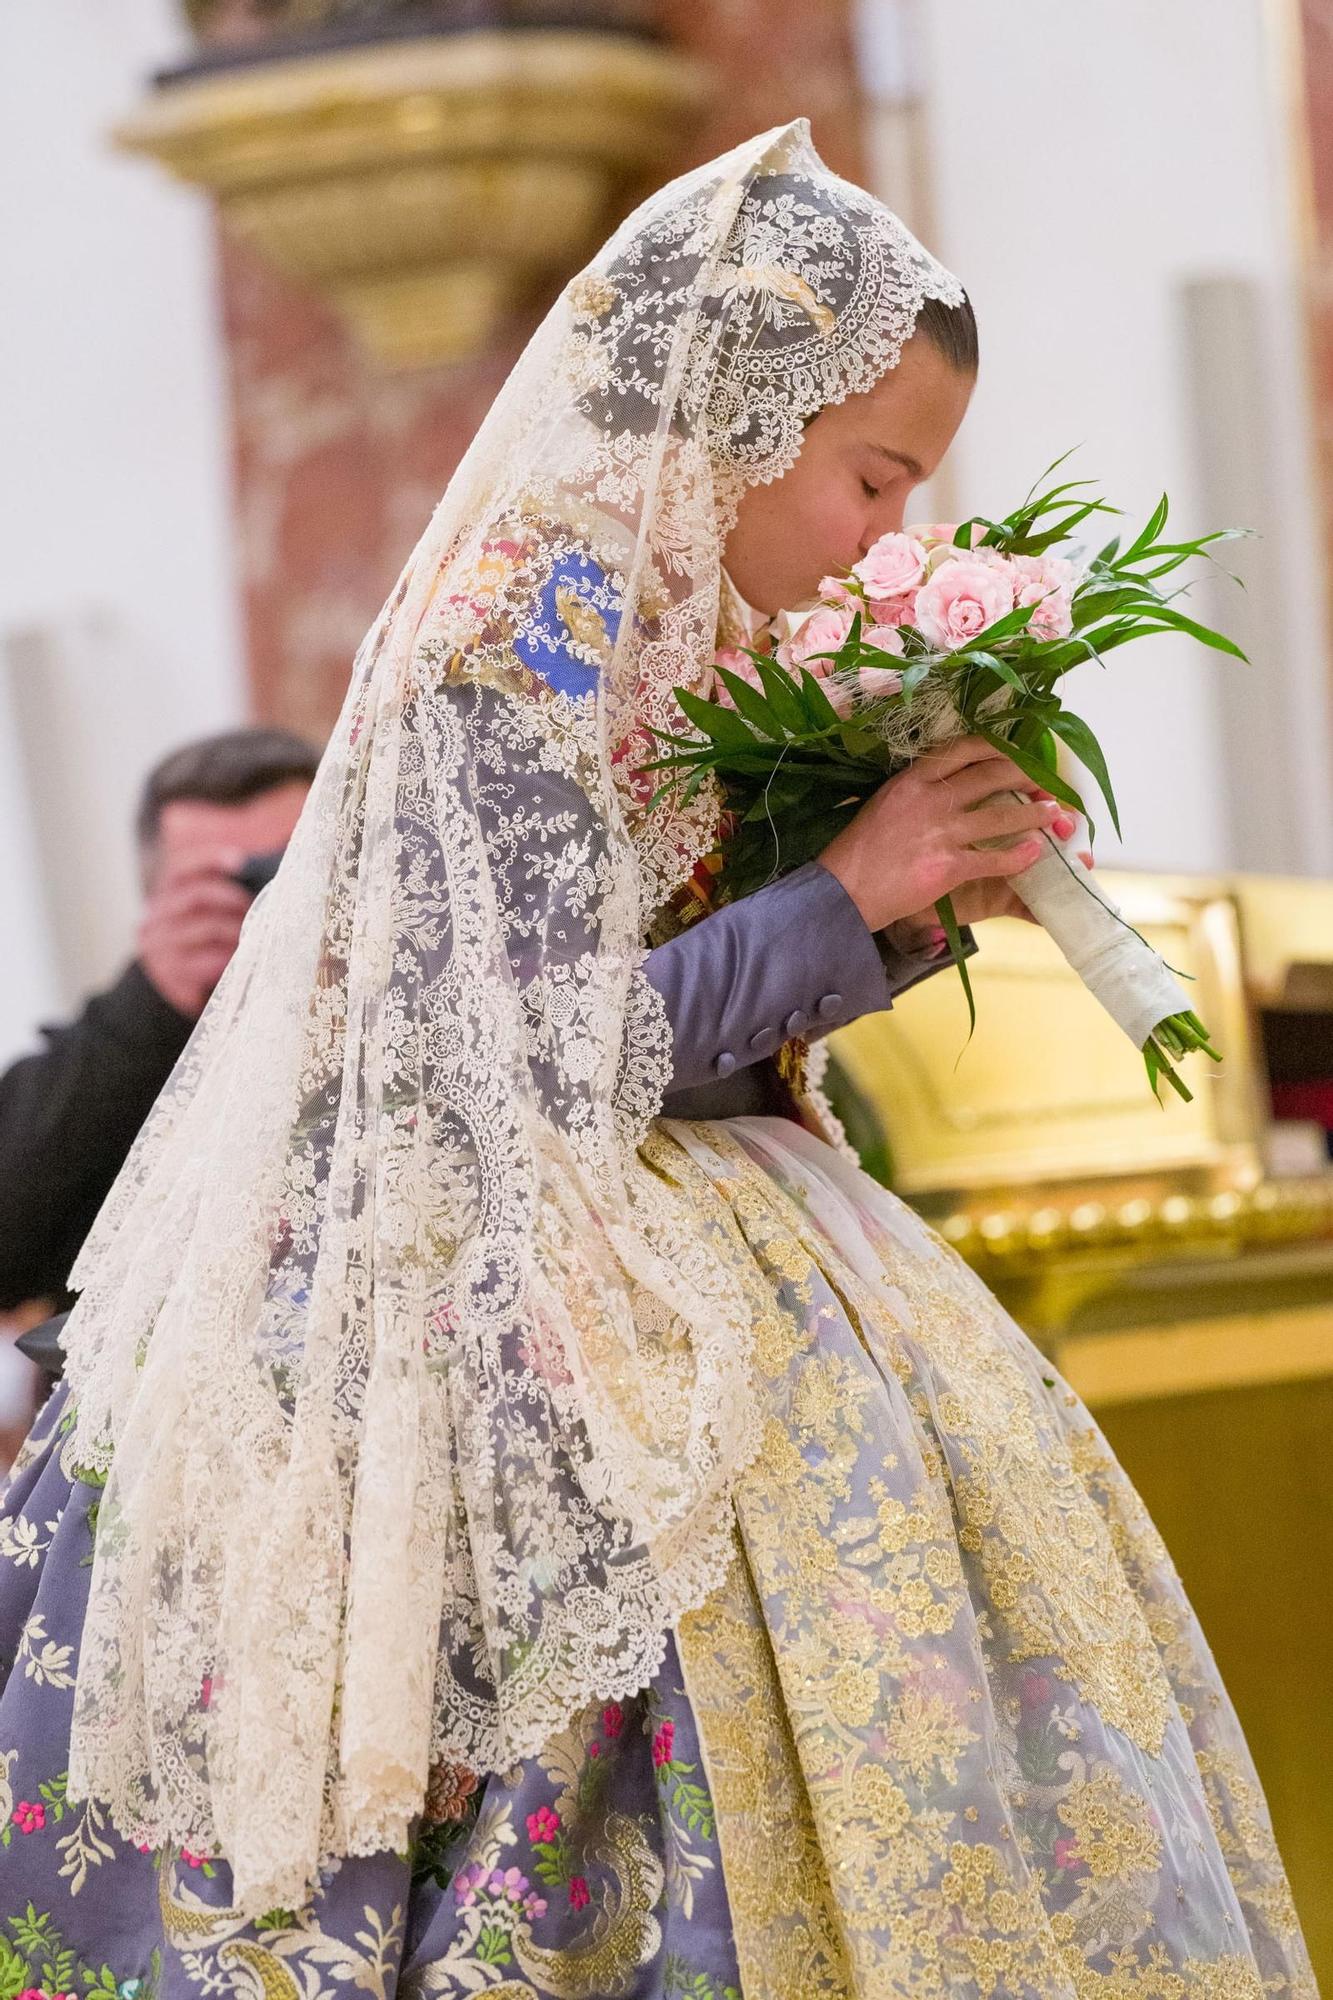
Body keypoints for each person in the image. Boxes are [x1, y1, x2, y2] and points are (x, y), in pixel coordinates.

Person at [0, 123, 1313, 1996]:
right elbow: (499, 1063)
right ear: (732, 403)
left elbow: (669, 1023)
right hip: (461, 1293)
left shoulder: (671, 624)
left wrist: (912, 905)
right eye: (870, 474)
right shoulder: (523, 621)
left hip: (679, 1214)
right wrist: (845, 892)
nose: (884, 534)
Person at [0, 727, 318, 1316]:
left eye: (290, 869)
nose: (267, 908)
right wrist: (151, 1005)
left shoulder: (420, 1024)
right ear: (155, 901)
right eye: (228, 883)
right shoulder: (117, 1054)